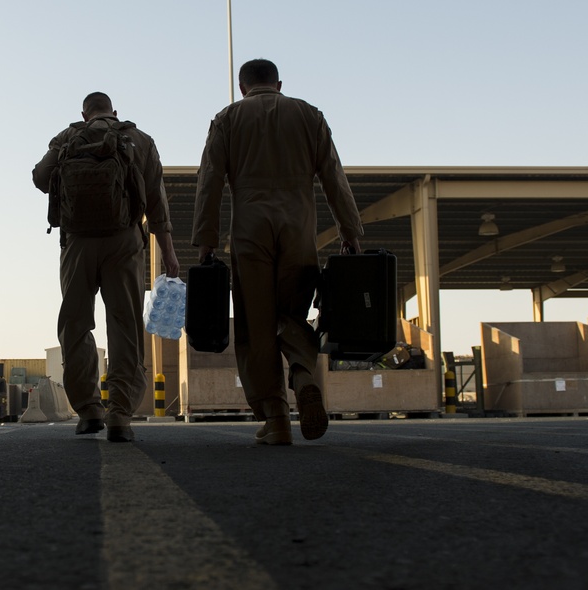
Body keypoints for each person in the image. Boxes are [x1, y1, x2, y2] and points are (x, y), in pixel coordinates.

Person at [192, 59, 363, 445]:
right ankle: (303, 376)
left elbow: (210, 182)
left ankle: (275, 419)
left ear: (242, 87)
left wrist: (205, 240)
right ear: (279, 84)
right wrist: (350, 231)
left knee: (256, 326)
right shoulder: (309, 115)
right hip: (299, 230)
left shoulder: (227, 118)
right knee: (292, 316)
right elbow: (334, 176)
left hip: (250, 230)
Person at [33, 92, 179, 443]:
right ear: (115, 112)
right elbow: (157, 204)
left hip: (77, 243)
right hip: (124, 241)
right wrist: (169, 254)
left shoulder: (68, 137)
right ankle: (120, 415)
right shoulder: (140, 139)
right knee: (124, 325)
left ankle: (88, 410)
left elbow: (41, 177)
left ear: (84, 114)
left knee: (75, 323)